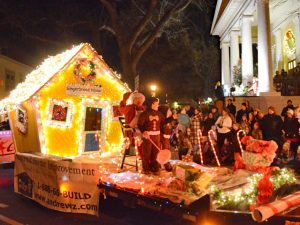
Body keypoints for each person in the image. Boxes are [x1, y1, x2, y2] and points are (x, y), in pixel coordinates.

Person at [138, 98, 164, 175]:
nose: (158, 105)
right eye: (156, 103)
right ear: (152, 104)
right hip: (148, 136)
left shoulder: (159, 114)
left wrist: (172, 118)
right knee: (147, 152)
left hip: (157, 136)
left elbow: (163, 122)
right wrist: (144, 131)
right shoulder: (145, 114)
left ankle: (155, 168)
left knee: (156, 152)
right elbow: (140, 124)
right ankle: (146, 169)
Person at [158, 105, 174, 172]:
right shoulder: (162, 121)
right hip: (163, 138)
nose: (170, 112)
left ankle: (166, 162)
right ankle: (164, 163)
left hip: (167, 138)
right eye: (168, 111)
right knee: (163, 150)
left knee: (167, 149)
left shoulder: (168, 121)